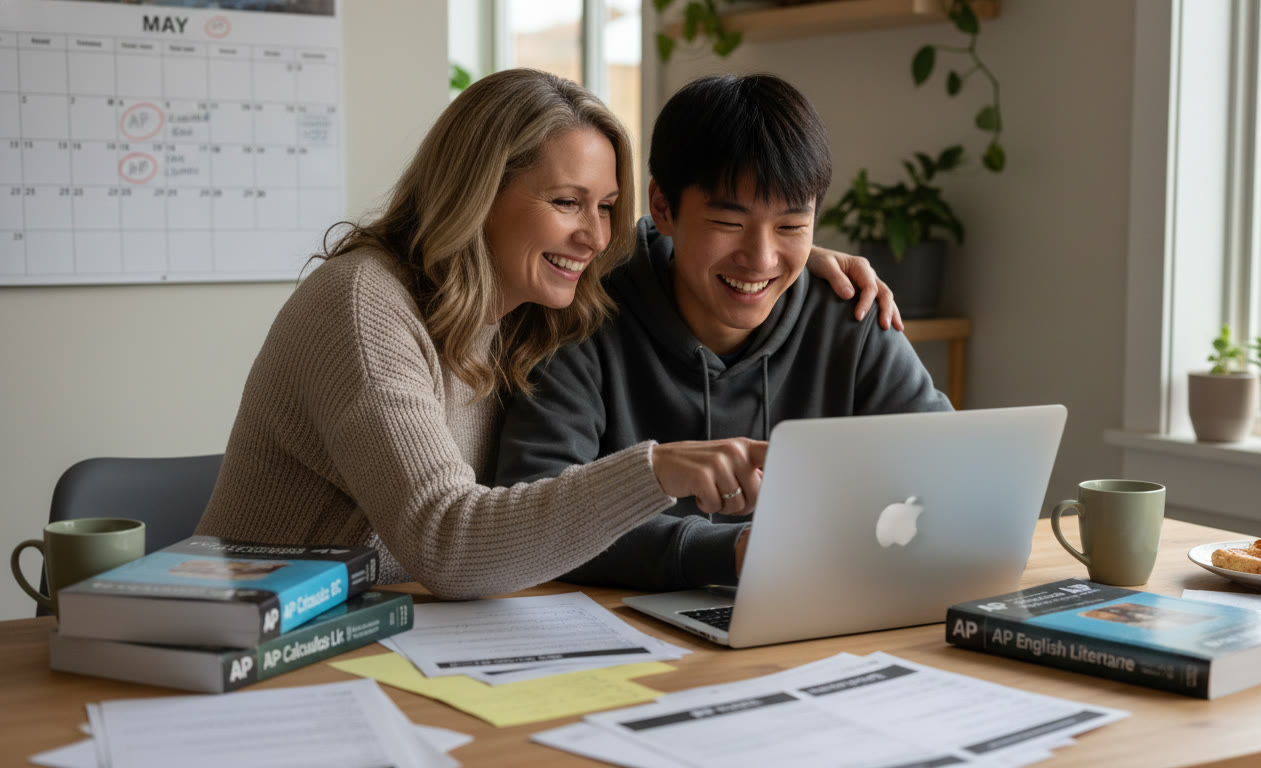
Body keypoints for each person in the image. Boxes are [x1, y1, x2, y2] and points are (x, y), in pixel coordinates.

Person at [195, 69, 893, 601]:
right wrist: (655, 470)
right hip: (248, 634)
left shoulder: (520, 311)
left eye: (607, 207)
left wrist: (789, 264)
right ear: (476, 192)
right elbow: (445, 541)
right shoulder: (365, 306)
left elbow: (667, 244)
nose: (594, 236)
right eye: (566, 203)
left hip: (382, 628)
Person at [494, 73, 953, 592]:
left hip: (817, 615)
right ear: (663, 207)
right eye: (730, 223)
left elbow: (950, 473)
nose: (760, 259)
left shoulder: (851, 311)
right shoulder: (583, 312)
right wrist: (726, 552)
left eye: (791, 227)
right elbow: (533, 509)